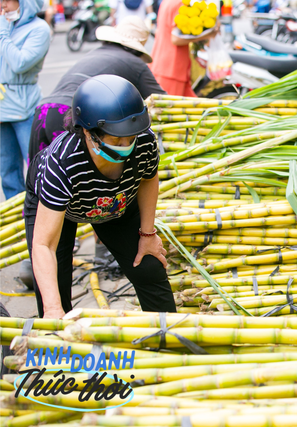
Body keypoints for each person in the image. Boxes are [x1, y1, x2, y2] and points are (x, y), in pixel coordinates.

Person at [24, 75, 177, 319]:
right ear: (88, 132)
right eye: (116, 139)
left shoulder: (144, 141)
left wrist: (148, 234)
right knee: (54, 286)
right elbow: (44, 245)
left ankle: (166, 337)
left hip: (117, 202)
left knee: (148, 266)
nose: (126, 145)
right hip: (61, 211)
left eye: (131, 137)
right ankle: (63, 347)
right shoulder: (62, 162)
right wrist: (53, 310)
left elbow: (149, 178)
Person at [29, 16, 165, 162]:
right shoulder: (136, 64)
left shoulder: (96, 52)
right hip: (72, 117)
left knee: (40, 176)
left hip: (44, 110)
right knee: (78, 176)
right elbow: (161, 100)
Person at [0, 0, 50, 200]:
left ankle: (37, 217)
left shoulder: (40, 29)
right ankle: (16, 214)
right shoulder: (5, 26)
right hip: (3, 107)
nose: (3, 5)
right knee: (7, 170)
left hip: (25, 108)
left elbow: (20, 63)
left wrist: (3, 34)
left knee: (36, 168)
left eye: (7, 0)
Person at [150, 0, 216, 97]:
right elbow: (175, 39)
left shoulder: (168, 2)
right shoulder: (180, 4)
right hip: (172, 67)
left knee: (192, 107)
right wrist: (206, 35)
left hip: (164, 63)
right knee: (170, 108)